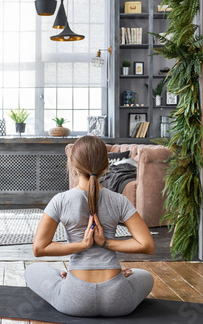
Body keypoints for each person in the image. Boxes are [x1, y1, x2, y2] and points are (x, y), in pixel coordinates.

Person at [24, 135, 155, 317]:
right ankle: (113, 276)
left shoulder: (60, 200)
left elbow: (39, 248)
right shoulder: (119, 200)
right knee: (144, 275)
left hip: (74, 300)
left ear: (73, 165)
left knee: (32, 270)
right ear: (106, 166)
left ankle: (68, 276)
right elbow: (147, 245)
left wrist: (81, 245)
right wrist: (105, 243)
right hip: (118, 301)